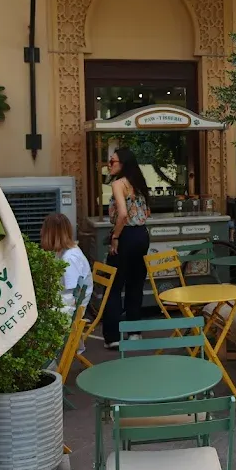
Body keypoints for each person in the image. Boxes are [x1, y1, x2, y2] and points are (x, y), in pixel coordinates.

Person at [102, 147, 151, 349]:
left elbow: (122, 214)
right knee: (135, 283)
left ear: (123, 164)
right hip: (141, 235)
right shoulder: (138, 183)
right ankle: (134, 332)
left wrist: (115, 236)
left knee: (114, 285)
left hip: (126, 235)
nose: (108, 165)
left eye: (112, 162)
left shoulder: (118, 184)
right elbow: (147, 211)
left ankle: (113, 336)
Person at [40, 213, 93, 318]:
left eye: (44, 230)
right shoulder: (63, 251)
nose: (41, 232)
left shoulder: (69, 258)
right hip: (66, 304)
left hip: (70, 312)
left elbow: (70, 297)